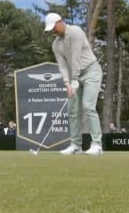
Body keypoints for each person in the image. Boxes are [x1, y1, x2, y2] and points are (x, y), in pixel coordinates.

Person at [44, 12, 103, 156]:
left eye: (54, 27)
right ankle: (76, 145)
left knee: (88, 106)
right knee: (72, 110)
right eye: (51, 29)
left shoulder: (75, 31)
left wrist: (74, 79)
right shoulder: (55, 44)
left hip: (91, 71)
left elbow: (75, 57)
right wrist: (67, 83)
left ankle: (97, 144)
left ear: (60, 21)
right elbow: (63, 66)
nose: (53, 31)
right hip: (73, 77)